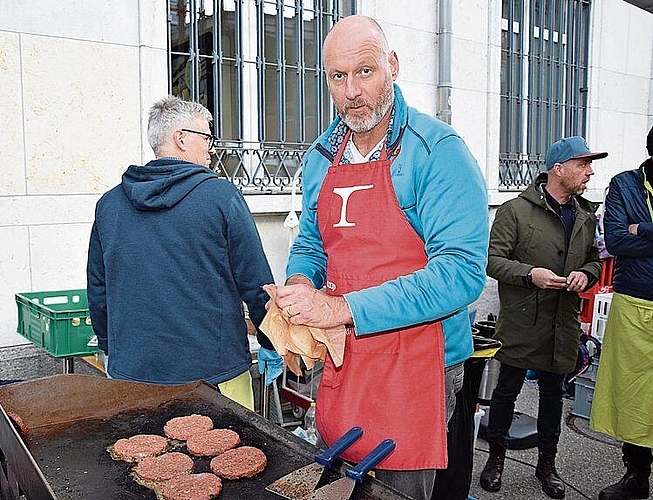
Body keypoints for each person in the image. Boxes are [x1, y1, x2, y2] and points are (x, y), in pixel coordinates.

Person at [269, 15, 489, 500]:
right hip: (341, 355)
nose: (351, 90)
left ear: (392, 65)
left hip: (416, 364)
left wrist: (345, 308)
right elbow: (311, 242)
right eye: (337, 76)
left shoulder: (438, 152)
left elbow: (461, 274)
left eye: (364, 71)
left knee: (395, 489)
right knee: (333, 482)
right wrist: (303, 283)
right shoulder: (321, 157)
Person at [87, 96, 275, 410]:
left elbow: (98, 288)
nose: (212, 148)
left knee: (141, 457)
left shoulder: (109, 205)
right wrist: (272, 342)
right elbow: (257, 284)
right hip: (214, 377)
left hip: (131, 375)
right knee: (230, 456)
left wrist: (111, 348)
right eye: (207, 137)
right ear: (181, 138)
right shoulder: (222, 197)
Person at [480, 136, 606, 499]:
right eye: (583, 165)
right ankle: (495, 460)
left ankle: (547, 466)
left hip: (562, 325)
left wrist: (588, 273)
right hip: (523, 323)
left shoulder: (585, 214)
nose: (590, 172)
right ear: (559, 169)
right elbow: (493, 261)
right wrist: (529, 274)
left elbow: (595, 260)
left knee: (553, 397)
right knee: (506, 392)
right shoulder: (515, 211)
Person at [590, 126, 653, 500]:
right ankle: (636, 476)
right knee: (633, 394)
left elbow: (632, 236)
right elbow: (614, 241)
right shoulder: (625, 184)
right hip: (635, 303)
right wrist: (632, 235)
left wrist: (643, 228)